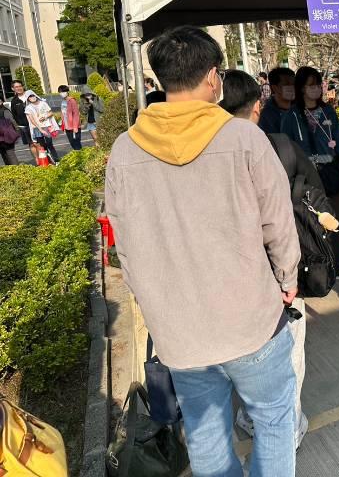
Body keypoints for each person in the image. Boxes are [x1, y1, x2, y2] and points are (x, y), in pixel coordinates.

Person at [105, 26, 300, 476]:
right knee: (272, 419)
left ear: (161, 79)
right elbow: (279, 224)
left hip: (180, 330)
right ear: (213, 78)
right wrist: (287, 280)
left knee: (205, 430)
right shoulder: (244, 139)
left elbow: (126, 250)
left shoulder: (124, 150)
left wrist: (152, 306)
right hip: (251, 320)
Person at [220, 69, 312, 450]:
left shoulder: (200, 151)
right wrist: (288, 276)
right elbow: (285, 219)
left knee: (240, 355)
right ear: (258, 106)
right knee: (287, 349)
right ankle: (285, 428)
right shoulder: (273, 146)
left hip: (227, 276)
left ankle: (249, 416)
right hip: (272, 274)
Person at [281, 66, 339, 269]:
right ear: (301, 88)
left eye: (318, 84)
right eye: (311, 85)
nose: (316, 89)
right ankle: (320, 263)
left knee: (337, 221)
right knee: (312, 223)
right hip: (308, 180)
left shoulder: (328, 111)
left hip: (331, 176)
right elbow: (287, 147)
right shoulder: (290, 116)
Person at [24, 90, 60, 165]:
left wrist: (45, 116)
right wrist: (40, 129)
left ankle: (57, 161)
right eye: (30, 97)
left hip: (47, 126)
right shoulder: (28, 108)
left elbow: (50, 113)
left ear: (35, 95)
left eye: (32, 95)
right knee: (42, 146)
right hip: (37, 129)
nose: (32, 97)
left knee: (50, 144)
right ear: (28, 99)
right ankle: (48, 161)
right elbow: (32, 120)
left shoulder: (43, 103)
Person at [258, 67, 295, 134]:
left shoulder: (302, 109)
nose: (293, 87)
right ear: (275, 88)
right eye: (287, 84)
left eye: (294, 83)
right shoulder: (267, 117)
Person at [10, 80, 37, 160]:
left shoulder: (30, 96)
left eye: (20, 86)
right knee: (31, 144)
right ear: (13, 89)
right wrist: (20, 124)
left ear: (23, 86)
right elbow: (14, 115)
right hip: (25, 126)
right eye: (16, 87)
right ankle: (37, 160)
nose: (19, 88)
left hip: (36, 124)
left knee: (40, 143)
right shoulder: (14, 101)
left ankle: (46, 159)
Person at [58, 85, 82, 151]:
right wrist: (61, 122)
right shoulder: (63, 101)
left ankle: (81, 156)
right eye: (60, 92)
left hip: (73, 126)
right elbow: (63, 113)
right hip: (67, 126)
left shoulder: (72, 101)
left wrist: (75, 127)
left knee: (76, 143)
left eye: (63, 91)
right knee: (72, 143)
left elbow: (76, 114)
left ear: (67, 92)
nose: (61, 93)